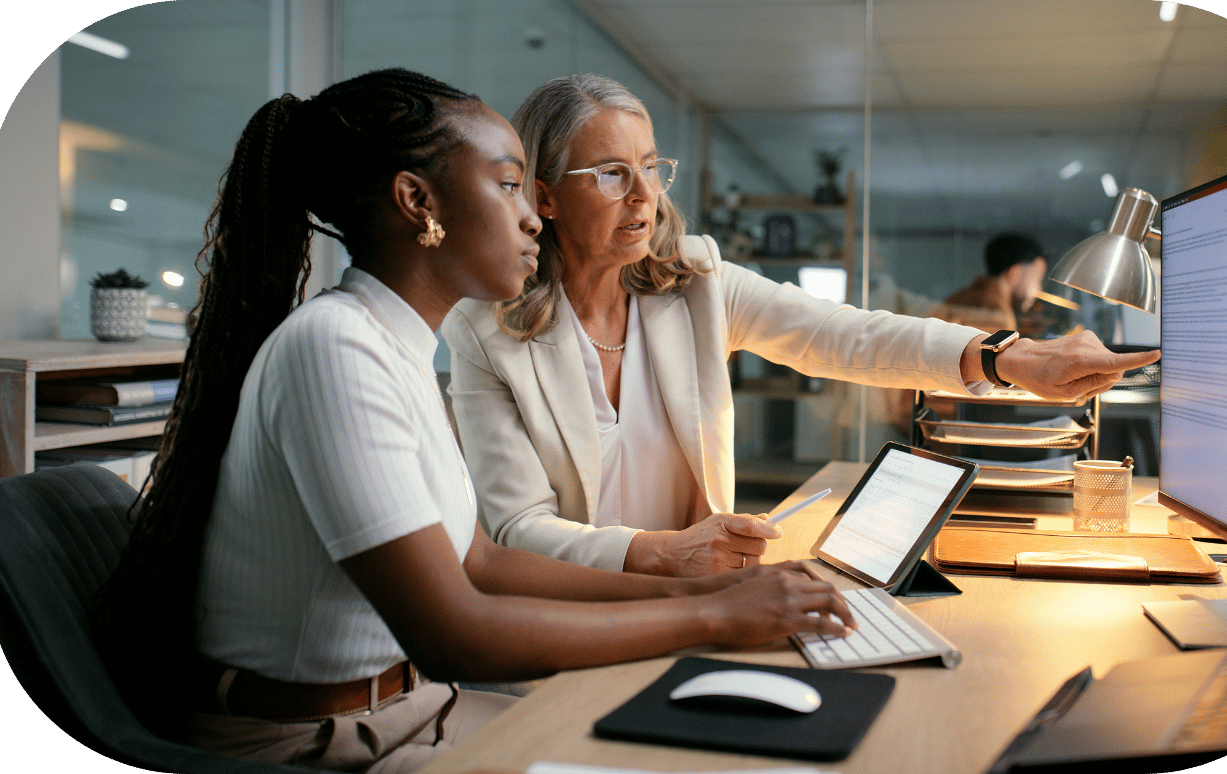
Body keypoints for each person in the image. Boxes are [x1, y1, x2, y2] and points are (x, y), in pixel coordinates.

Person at [89, 68, 854, 774]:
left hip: (412, 710)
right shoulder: (334, 350)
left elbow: (479, 563)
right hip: (313, 745)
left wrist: (704, 597)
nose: (533, 219)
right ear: (418, 202)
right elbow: (453, 630)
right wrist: (713, 620)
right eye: (510, 186)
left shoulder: (395, 344)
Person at [441, 74, 1161, 578]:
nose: (644, 196)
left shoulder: (695, 283)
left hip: (699, 601)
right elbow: (517, 532)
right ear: (545, 196)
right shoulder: (485, 333)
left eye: (652, 168)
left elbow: (849, 335)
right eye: (609, 173)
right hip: (579, 620)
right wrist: (667, 552)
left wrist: (1009, 358)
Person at [942, 231, 1050, 332]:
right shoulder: (998, 317)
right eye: (1038, 279)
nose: (1039, 288)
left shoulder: (962, 297)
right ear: (1014, 274)